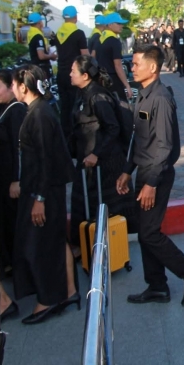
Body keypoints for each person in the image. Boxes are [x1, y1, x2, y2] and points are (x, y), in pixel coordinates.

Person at [118, 45, 184, 307]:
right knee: (146, 232)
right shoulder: (143, 95)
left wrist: (151, 183)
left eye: (136, 64)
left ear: (153, 67)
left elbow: (165, 146)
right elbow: (139, 139)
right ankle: (157, 286)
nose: (132, 68)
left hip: (156, 174)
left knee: (149, 234)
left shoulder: (160, 98)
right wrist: (127, 170)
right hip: (144, 171)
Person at [11, 65, 79, 324]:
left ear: (23, 87)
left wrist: (39, 199)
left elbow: (45, 159)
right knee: (55, 239)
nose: (11, 89)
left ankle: (49, 299)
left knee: (39, 245)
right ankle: (69, 291)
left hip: (44, 190)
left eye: (13, 85)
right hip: (45, 187)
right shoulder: (39, 110)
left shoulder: (38, 114)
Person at [68, 55, 136, 250]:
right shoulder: (83, 93)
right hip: (87, 162)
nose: (70, 74)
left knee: (106, 207)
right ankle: (86, 246)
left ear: (85, 76)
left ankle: (110, 250)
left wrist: (96, 153)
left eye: (73, 71)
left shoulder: (98, 96)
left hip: (104, 164)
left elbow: (112, 127)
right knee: (84, 205)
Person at [0, 70, 27, 276]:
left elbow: (18, 147)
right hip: (2, 178)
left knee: (14, 221)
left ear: (10, 86)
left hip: (12, 179)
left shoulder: (16, 110)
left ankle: (19, 264)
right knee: (5, 219)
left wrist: (16, 179)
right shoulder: (2, 109)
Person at [55, 6, 90, 137]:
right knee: (76, 105)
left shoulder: (58, 33)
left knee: (64, 106)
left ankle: (64, 135)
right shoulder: (79, 33)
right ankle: (75, 135)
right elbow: (85, 56)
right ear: (75, 17)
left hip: (61, 73)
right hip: (75, 74)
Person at [96, 12, 133, 101]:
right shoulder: (114, 41)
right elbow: (118, 66)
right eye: (118, 23)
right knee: (121, 106)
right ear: (110, 25)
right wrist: (127, 85)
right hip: (113, 80)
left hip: (100, 79)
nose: (121, 26)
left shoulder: (99, 39)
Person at [26, 12, 56, 79]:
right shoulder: (38, 36)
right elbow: (41, 56)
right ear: (39, 23)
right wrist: (51, 56)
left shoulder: (31, 33)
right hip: (41, 68)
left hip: (35, 67)